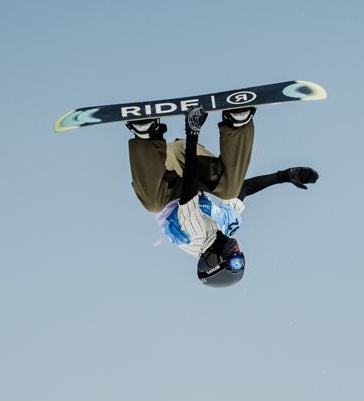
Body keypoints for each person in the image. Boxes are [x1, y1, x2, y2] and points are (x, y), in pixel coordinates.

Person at [126, 107, 319, 287]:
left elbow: (190, 186)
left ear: (215, 261)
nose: (239, 251)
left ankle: (147, 136)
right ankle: (237, 123)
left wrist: (192, 132)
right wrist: (284, 176)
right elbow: (244, 189)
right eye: (242, 257)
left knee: (153, 203)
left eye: (234, 259)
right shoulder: (224, 229)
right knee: (230, 190)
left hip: (162, 171)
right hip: (186, 156)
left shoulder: (195, 236)